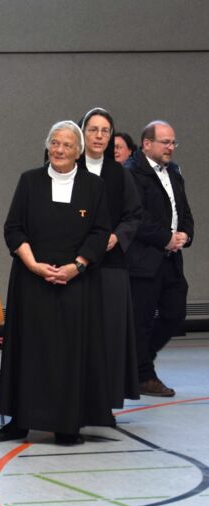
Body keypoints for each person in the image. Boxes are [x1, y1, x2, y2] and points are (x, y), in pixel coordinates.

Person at [0, 121, 113, 446]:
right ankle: (19, 422)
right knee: (27, 351)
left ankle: (66, 424)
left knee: (68, 354)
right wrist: (32, 264)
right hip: (32, 280)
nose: (59, 150)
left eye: (67, 145)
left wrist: (77, 266)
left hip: (75, 282)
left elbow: (100, 232)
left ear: (79, 152)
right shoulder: (29, 181)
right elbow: (13, 227)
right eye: (55, 143)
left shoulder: (93, 186)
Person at [124, 120, 194, 397]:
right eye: (165, 142)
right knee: (140, 321)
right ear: (146, 144)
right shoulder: (131, 172)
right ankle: (143, 375)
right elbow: (136, 217)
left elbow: (183, 210)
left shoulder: (174, 171)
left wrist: (185, 234)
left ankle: (135, 362)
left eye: (173, 142)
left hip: (171, 258)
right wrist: (166, 237)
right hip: (143, 259)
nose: (170, 147)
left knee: (175, 314)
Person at [77, 108, 140, 409]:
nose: (99, 136)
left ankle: (104, 403)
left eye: (105, 131)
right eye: (93, 129)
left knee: (108, 337)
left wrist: (116, 236)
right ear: (82, 133)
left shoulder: (120, 174)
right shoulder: (68, 168)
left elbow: (133, 215)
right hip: (74, 264)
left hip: (110, 265)